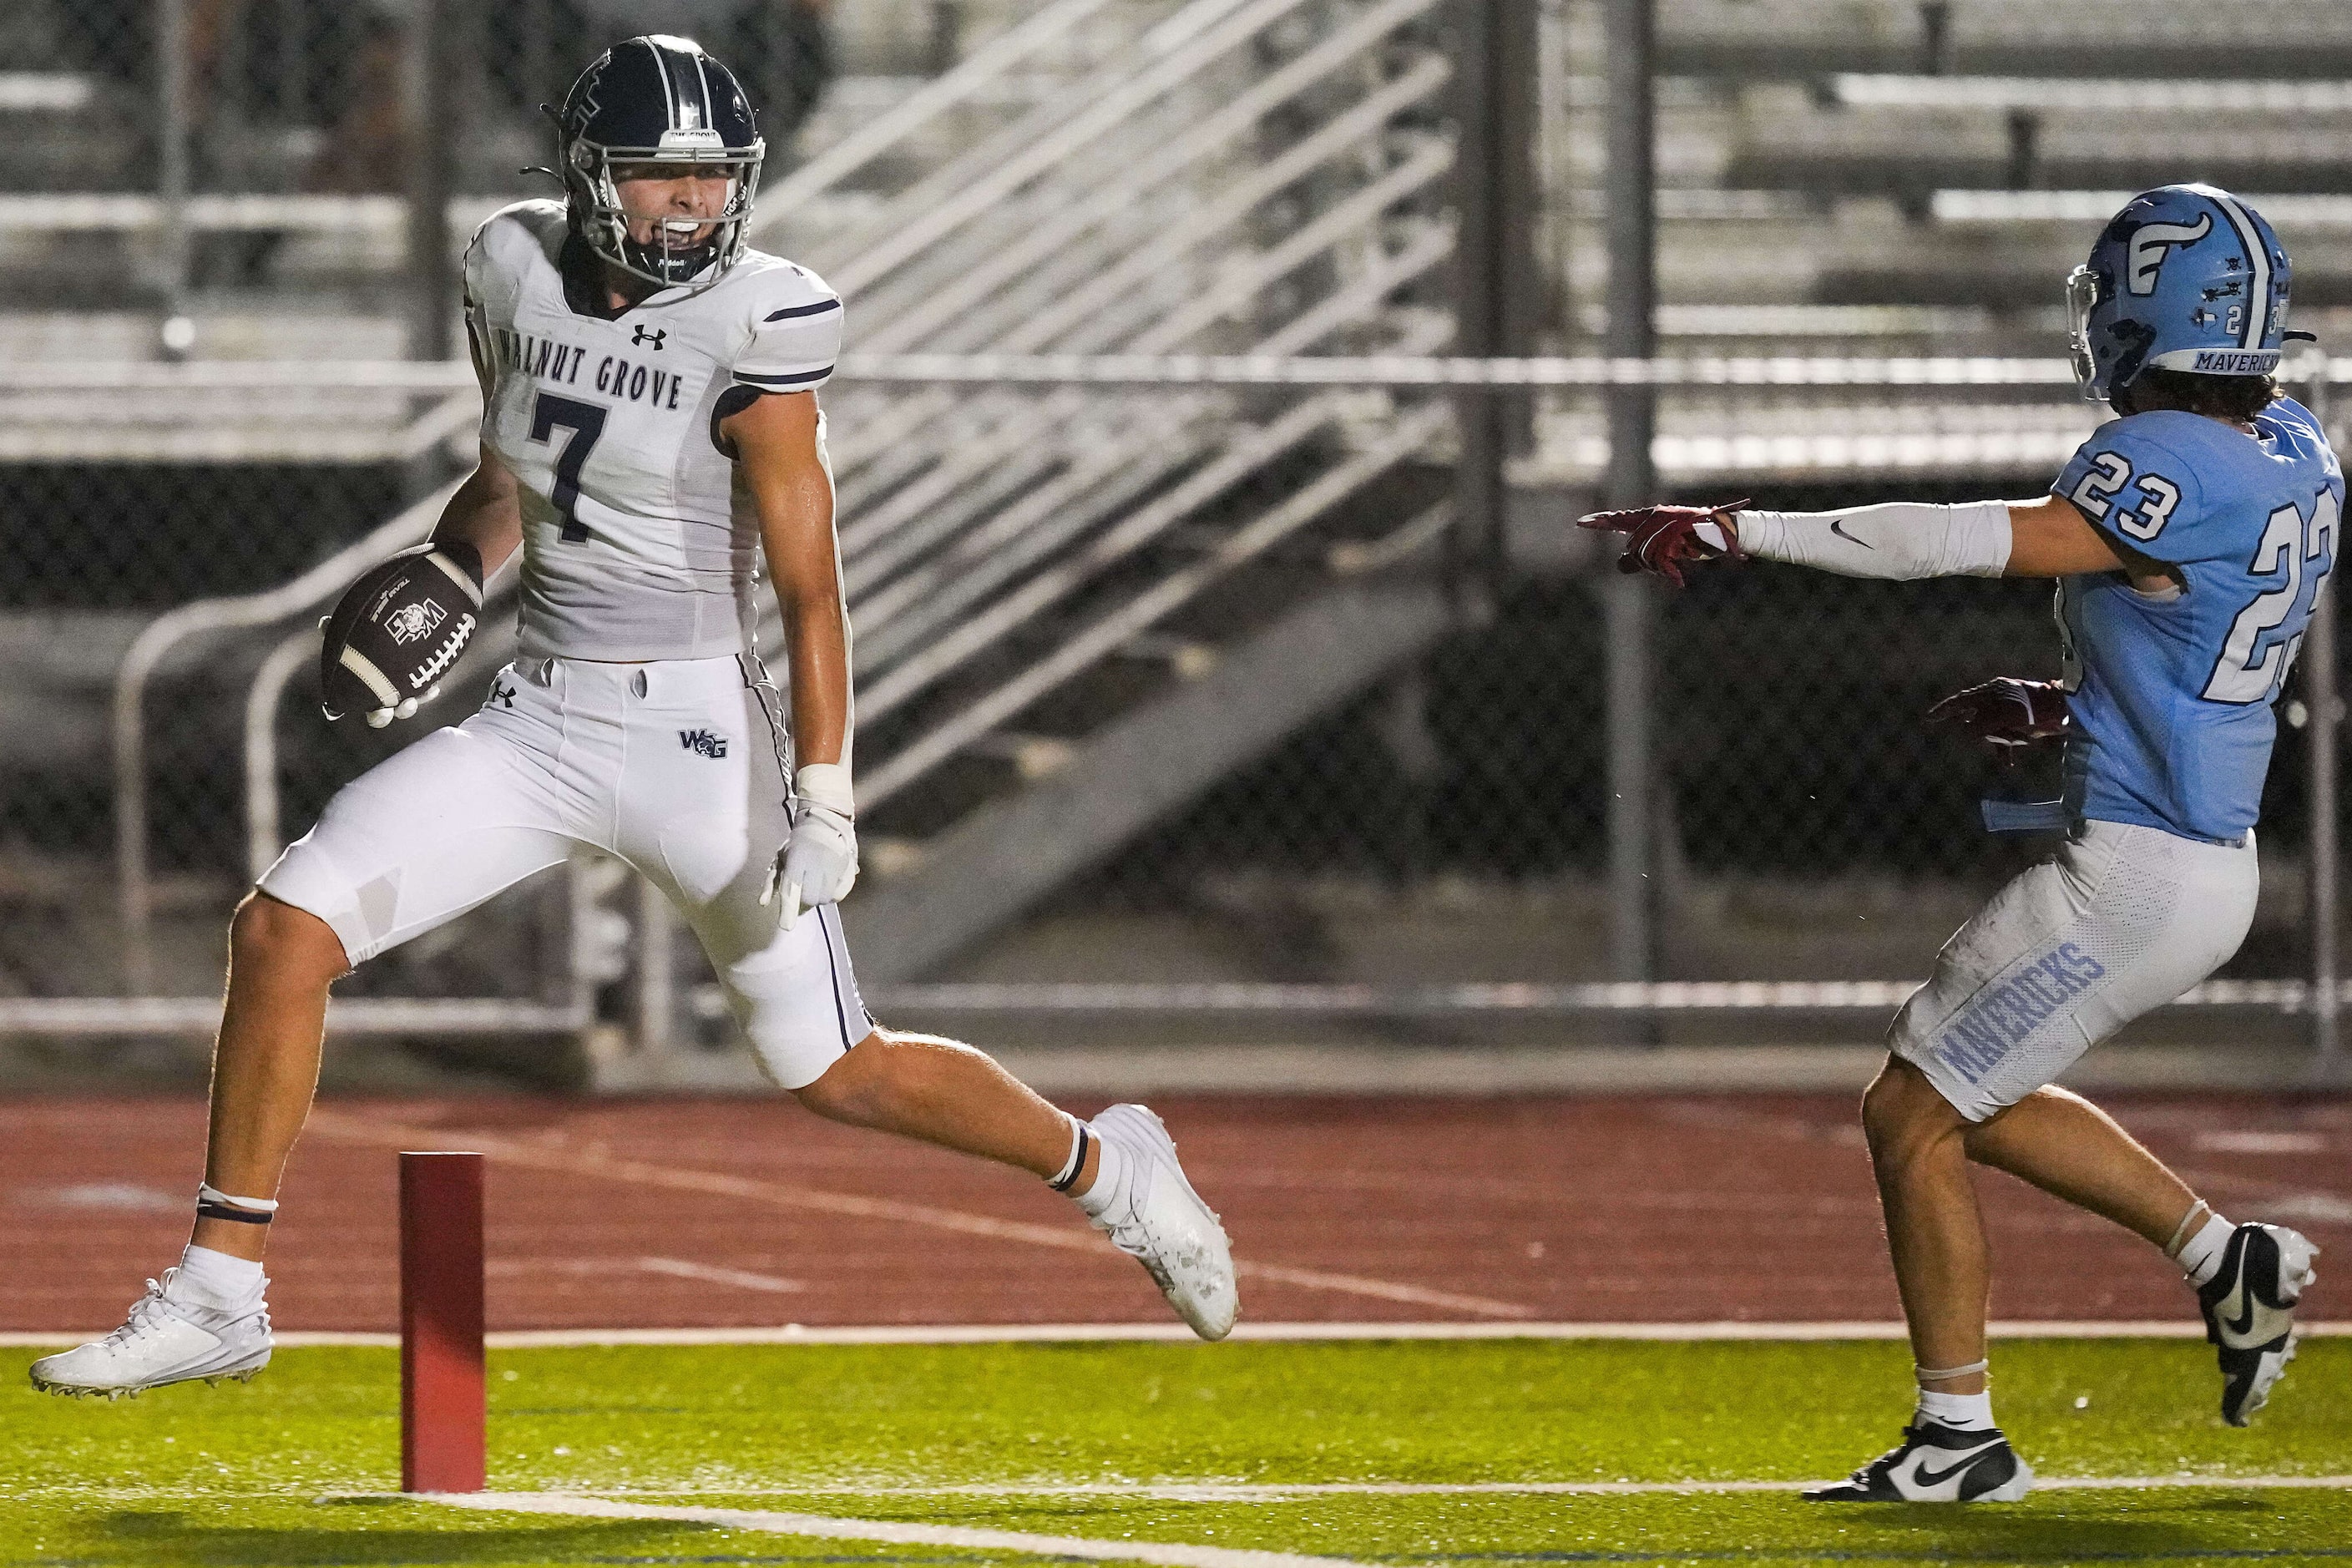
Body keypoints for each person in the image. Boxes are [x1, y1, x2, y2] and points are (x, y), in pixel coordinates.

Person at [33, 34, 1235, 1399]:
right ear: (594, 176)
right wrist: (449, 564)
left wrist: (828, 790)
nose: (693, 206)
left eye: (714, 180)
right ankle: (220, 1292)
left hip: (697, 739)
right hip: (541, 717)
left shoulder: (761, 319)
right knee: (282, 928)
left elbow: (809, 585)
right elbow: (518, 470)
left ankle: (1107, 1165)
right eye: (663, 178)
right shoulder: (507, 263)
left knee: (831, 1065)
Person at [1579, 184, 2329, 1503]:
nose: (2098, 320)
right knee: (1951, 1099)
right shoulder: (2293, 446)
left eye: (2111, 295)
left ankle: (1958, 1434)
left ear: (2156, 310)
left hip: (2142, 876)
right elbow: (2192, 625)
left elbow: (1967, 542)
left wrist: (1737, 528)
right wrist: (2072, 703)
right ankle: (2223, 1258)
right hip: (2198, 855)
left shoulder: (2165, 456)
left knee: (1912, 1111)